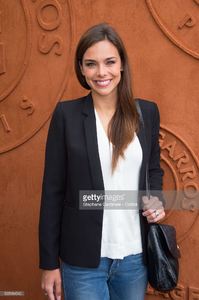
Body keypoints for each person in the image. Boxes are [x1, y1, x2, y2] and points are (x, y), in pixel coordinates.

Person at [39, 23, 165, 300]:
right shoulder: (66, 116)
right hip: (83, 261)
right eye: (91, 64)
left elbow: (154, 170)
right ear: (81, 69)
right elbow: (52, 193)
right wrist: (49, 264)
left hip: (135, 257)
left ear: (122, 65)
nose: (101, 72)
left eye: (110, 62)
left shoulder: (147, 112)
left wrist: (156, 200)